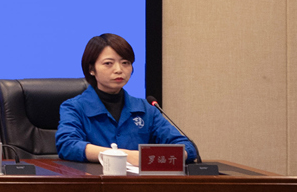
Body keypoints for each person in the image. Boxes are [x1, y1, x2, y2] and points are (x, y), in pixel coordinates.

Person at [56, 33, 197, 163]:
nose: (119, 70)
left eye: (125, 63)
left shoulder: (146, 109)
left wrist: (153, 157)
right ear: (91, 69)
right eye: (108, 63)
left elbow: (187, 148)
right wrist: (123, 155)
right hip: (93, 179)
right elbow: (67, 145)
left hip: (136, 181)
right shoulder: (74, 107)